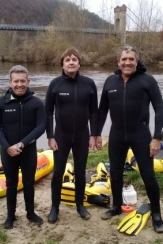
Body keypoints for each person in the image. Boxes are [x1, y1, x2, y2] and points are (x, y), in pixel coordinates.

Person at [96, 44, 163, 233]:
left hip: (141, 135)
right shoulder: (110, 82)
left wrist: (157, 137)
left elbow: (159, 109)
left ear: (137, 61)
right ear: (118, 62)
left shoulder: (147, 81)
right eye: (124, 59)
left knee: (148, 176)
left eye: (131, 59)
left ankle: (157, 214)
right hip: (117, 134)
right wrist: (96, 134)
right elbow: (102, 110)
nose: (127, 62)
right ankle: (116, 206)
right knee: (116, 173)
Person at [45, 47, 98, 223]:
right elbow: (48, 113)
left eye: (74, 59)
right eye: (67, 60)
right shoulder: (55, 84)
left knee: (81, 172)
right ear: (62, 64)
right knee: (58, 172)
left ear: (79, 63)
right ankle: (55, 207)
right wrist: (50, 136)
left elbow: (93, 112)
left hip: (83, 135)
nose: (71, 62)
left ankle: (80, 205)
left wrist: (94, 134)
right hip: (61, 135)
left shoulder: (89, 84)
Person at [0, 65, 46, 229]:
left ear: (28, 81)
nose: (19, 84)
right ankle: (10, 216)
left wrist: (22, 144)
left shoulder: (36, 103)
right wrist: (7, 147)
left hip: (28, 151)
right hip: (8, 152)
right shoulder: (1, 103)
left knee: (29, 183)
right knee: (11, 184)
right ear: (10, 82)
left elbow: (41, 127)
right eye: (16, 81)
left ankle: (30, 213)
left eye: (23, 81)